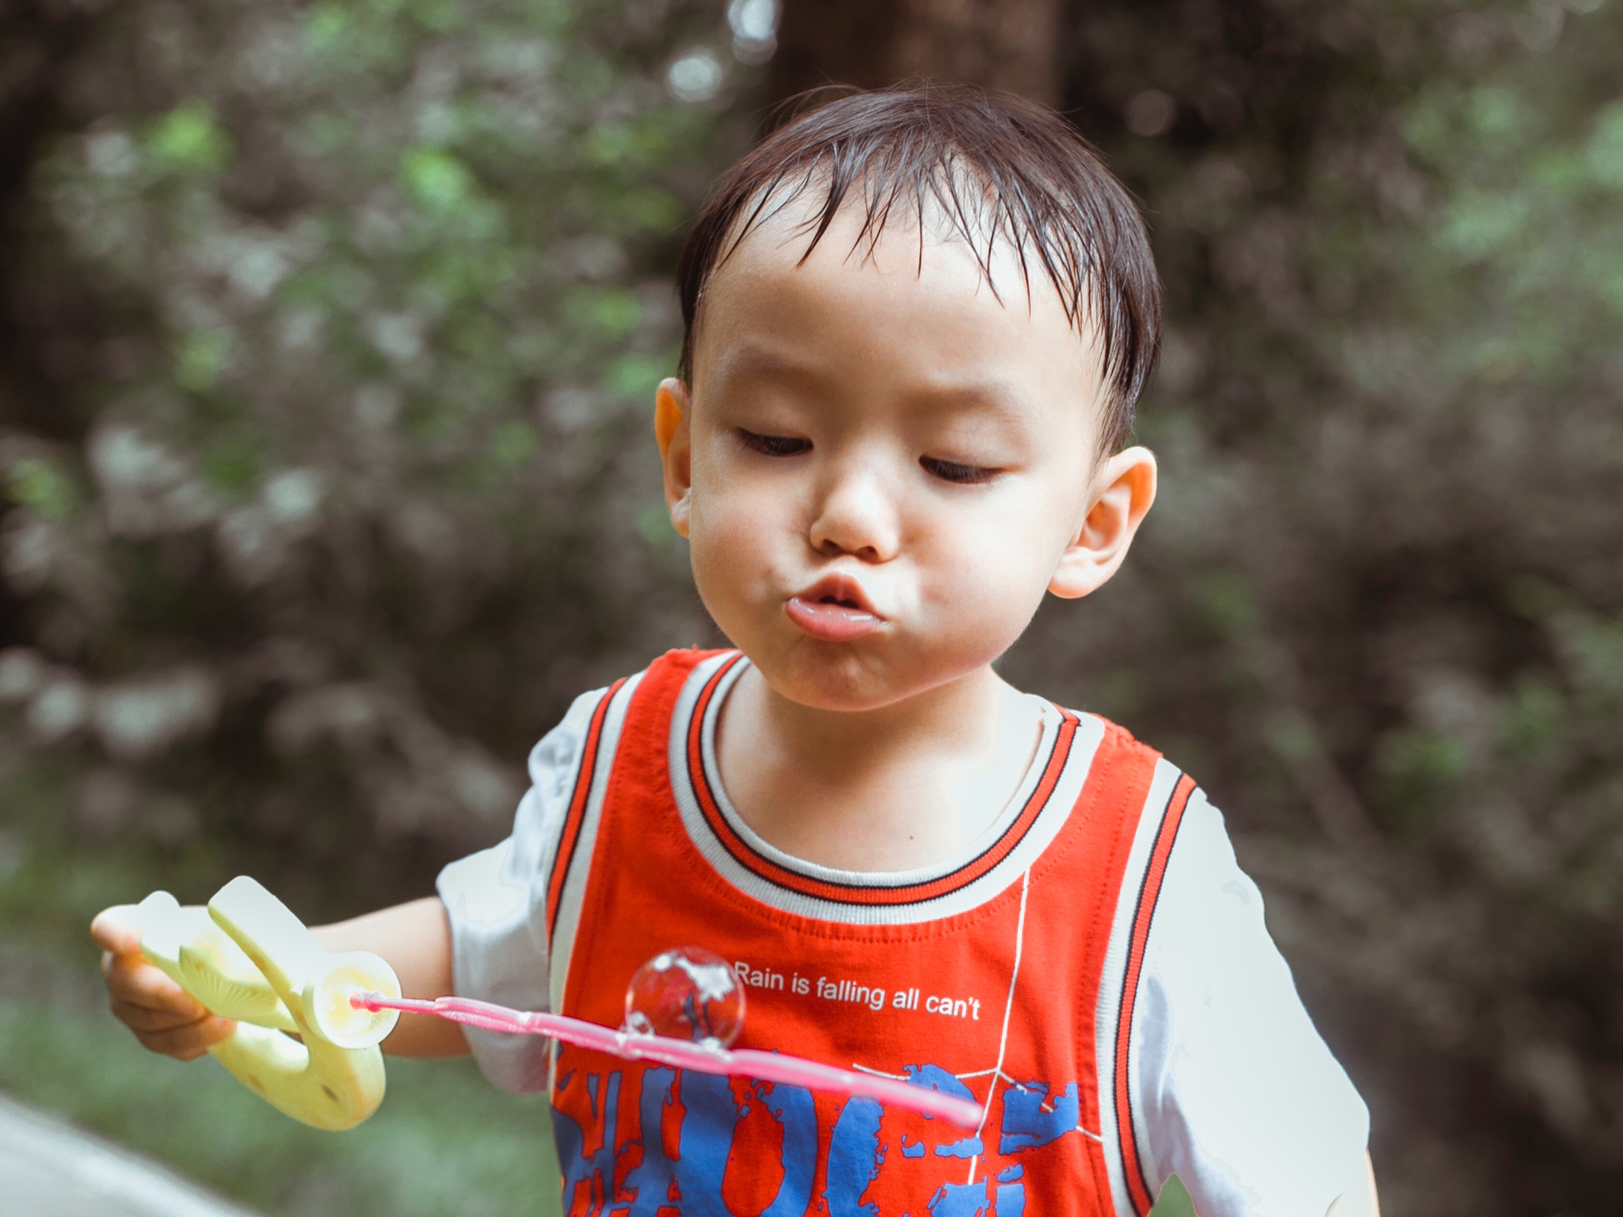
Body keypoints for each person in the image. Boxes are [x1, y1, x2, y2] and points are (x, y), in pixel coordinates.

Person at [92, 85, 1378, 1217]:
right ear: (681, 458)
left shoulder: (1134, 876)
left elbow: (1308, 1172)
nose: (852, 515)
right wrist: (260, 976)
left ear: (1092, 523)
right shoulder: (621, 768)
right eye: (773, 436)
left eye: (953, 464)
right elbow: (490, 947)